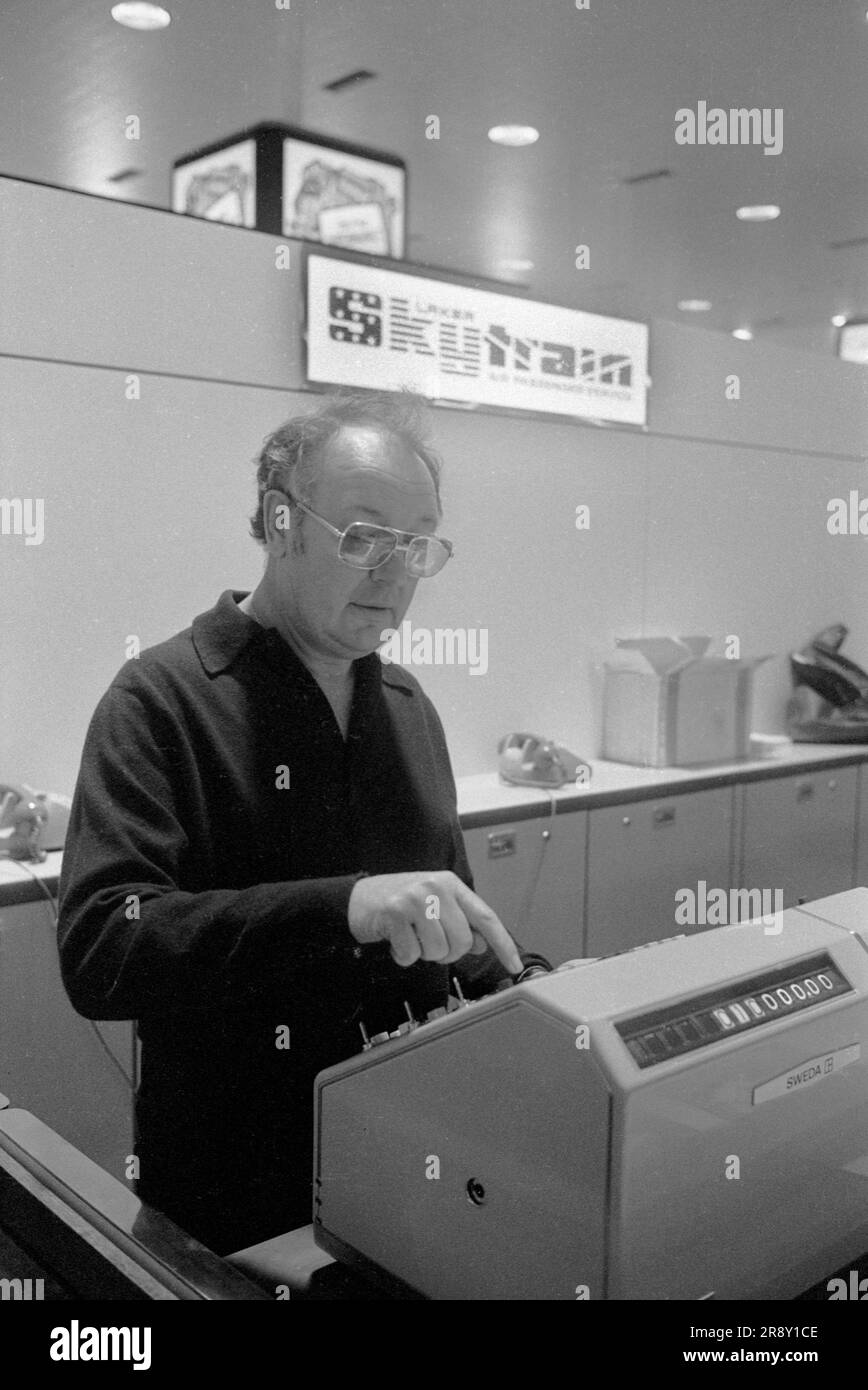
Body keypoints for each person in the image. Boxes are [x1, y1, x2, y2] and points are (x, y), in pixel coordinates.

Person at [58, 390, 546, 1257]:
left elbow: (447, 926)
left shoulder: (405, 704)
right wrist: (342, 908)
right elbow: (104, 948)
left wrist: (534, 988)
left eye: (418, 544)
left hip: (407, 1167)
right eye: (365, 535)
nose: (395, 573)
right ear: (282, 523)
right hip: (235, 1192)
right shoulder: (162, 699)